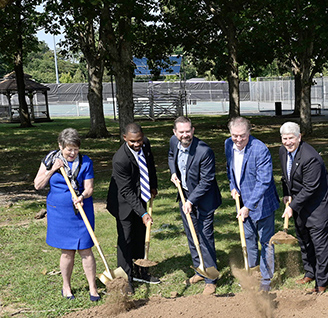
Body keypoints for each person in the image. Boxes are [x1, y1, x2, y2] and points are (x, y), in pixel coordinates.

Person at [33, 128, 100, 302]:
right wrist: (52, 169)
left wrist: (82, 196)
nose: (72, 153)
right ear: (60, 146)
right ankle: (66, 286)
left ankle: (93, 287)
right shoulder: (50, 160)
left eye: (75, 149)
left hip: (82, 209)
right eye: (69, 149)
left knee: (86, 249)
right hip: (59, 212)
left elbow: (89, 188)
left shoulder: (85, 162)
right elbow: (38, 185)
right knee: (67, 252)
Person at [167, 116, 222, 295]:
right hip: (185, 196)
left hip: (204, 199)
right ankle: (200, 269)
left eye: (188, 131)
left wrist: (192, 201)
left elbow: (207, 181)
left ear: (193, 130)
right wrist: (174, 172)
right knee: (192, 234)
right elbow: (170, 156)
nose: (185, 135)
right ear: (175, 133)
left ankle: (211, 279)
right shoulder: (173, 142)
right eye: (181, 132)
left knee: (205, 237)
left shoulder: (204, 151)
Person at [279, 122, 328, 294]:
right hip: (300, 205)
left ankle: (322, 282)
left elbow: (311, 188)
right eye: (284, 138)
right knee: (304, 241)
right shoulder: (283, 151)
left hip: (318, 206)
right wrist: (287, 194)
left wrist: (292, 207)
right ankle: (310, 272)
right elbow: (286, 176)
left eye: (291, 138)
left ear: (299, 137)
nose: (287, 142)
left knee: (320, 245)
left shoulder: (311, 157)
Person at [225, 117, 279, 292]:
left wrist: (248, 206)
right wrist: (233, 186)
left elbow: (264, 181)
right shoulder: (228, 144)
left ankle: (266, 279)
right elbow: (230, 168)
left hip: (262, 203)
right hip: (242, 202)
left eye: (242, 136)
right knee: (249, 241)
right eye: (235, 136)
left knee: (266, 242)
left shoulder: (260, 149)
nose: (238, 140)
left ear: (249, 132)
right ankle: (253, 272)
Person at [106, 122, 159, 290]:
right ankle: (125, 279)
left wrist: (153, 186)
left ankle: (140, 271)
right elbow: (126, 191)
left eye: (139, 140)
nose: (137, 144)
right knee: (126, 240)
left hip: (141, 194)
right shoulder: (120, 159)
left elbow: (150, 165)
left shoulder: (146, 143)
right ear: (124, 139)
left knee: (140, 235)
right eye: (132, 142)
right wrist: (143, 214)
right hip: (123, 202)